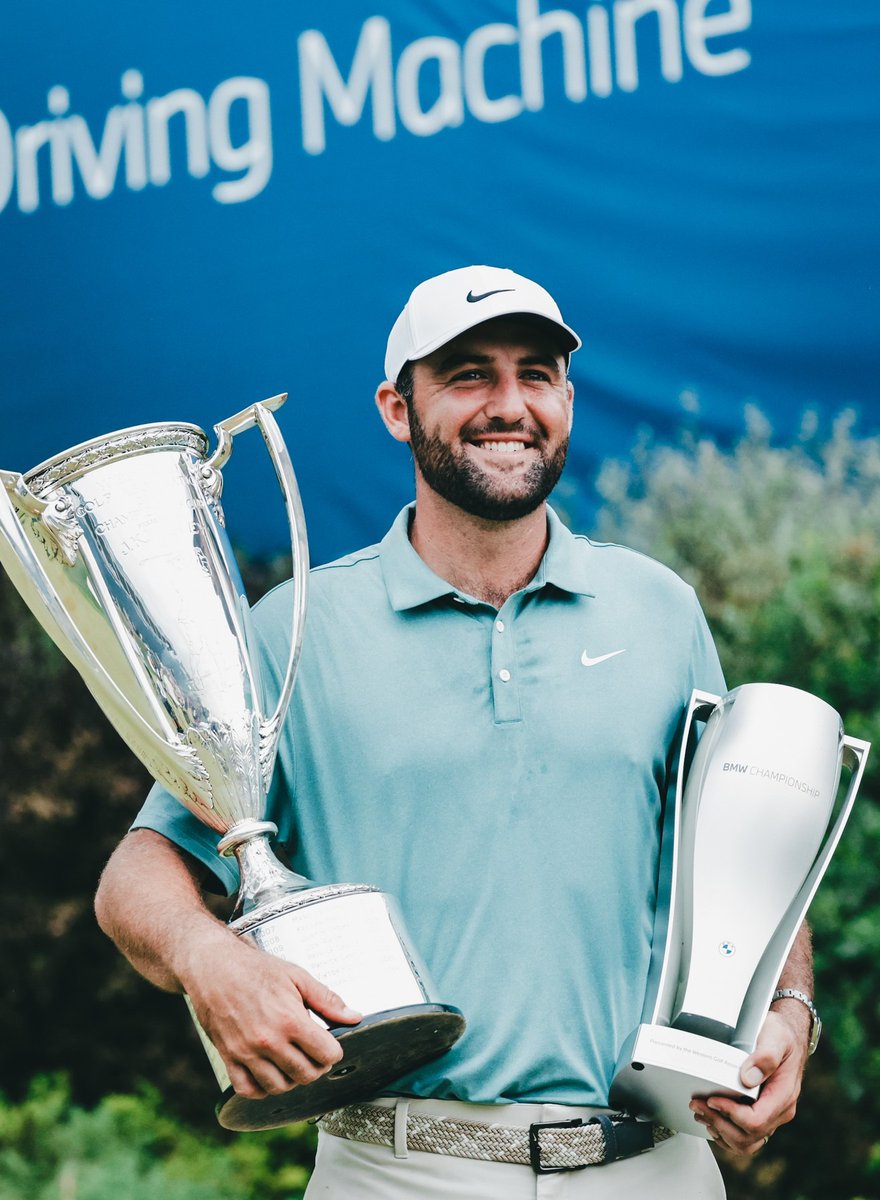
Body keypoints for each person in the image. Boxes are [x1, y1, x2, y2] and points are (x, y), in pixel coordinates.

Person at [95, 266, 816, 1197]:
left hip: (653, 1165)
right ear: (399, 409)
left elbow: (746, 867)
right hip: (397, 1169)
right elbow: (138, 872)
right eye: (469, 374)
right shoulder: (297, 627)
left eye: (536, 373)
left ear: (565, 397)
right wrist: (211, 960)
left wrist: (789, 1009)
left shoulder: (659, 610)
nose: (508, 404)